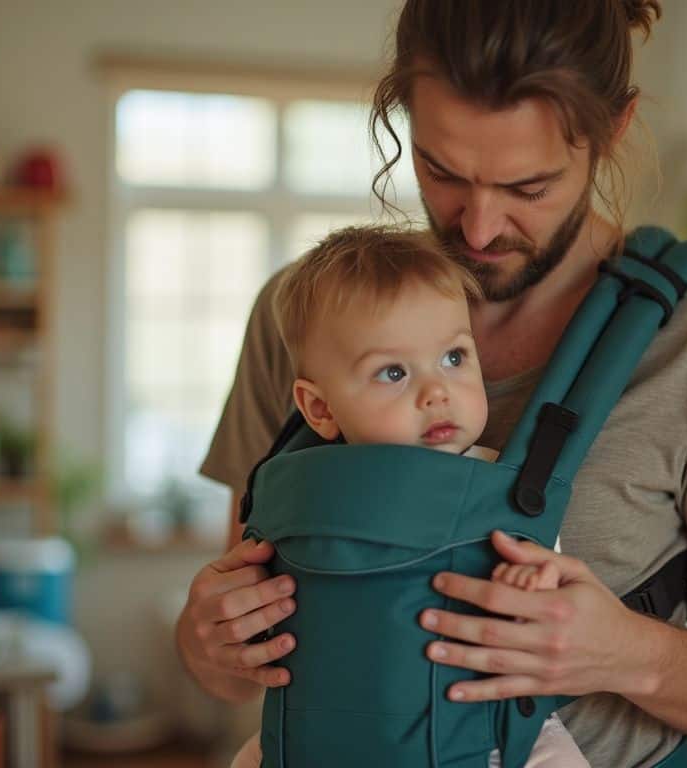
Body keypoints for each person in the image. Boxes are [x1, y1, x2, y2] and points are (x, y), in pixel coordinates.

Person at [178, 1, 687, 765]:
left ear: (613, 131)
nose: (480, 228)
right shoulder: (309, 323)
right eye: (442, 171)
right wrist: (206, 645)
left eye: (528, 186)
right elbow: (236, 655)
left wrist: (624, 653)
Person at [227, 226, 589, 767]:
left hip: (484, 732)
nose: (436, 391)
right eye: (393, 372)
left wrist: (533, 584)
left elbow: (553, 599)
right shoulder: (299, 492)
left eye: (454, 358)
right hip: (326, 726)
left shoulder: (503, 485)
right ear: (320, 410)